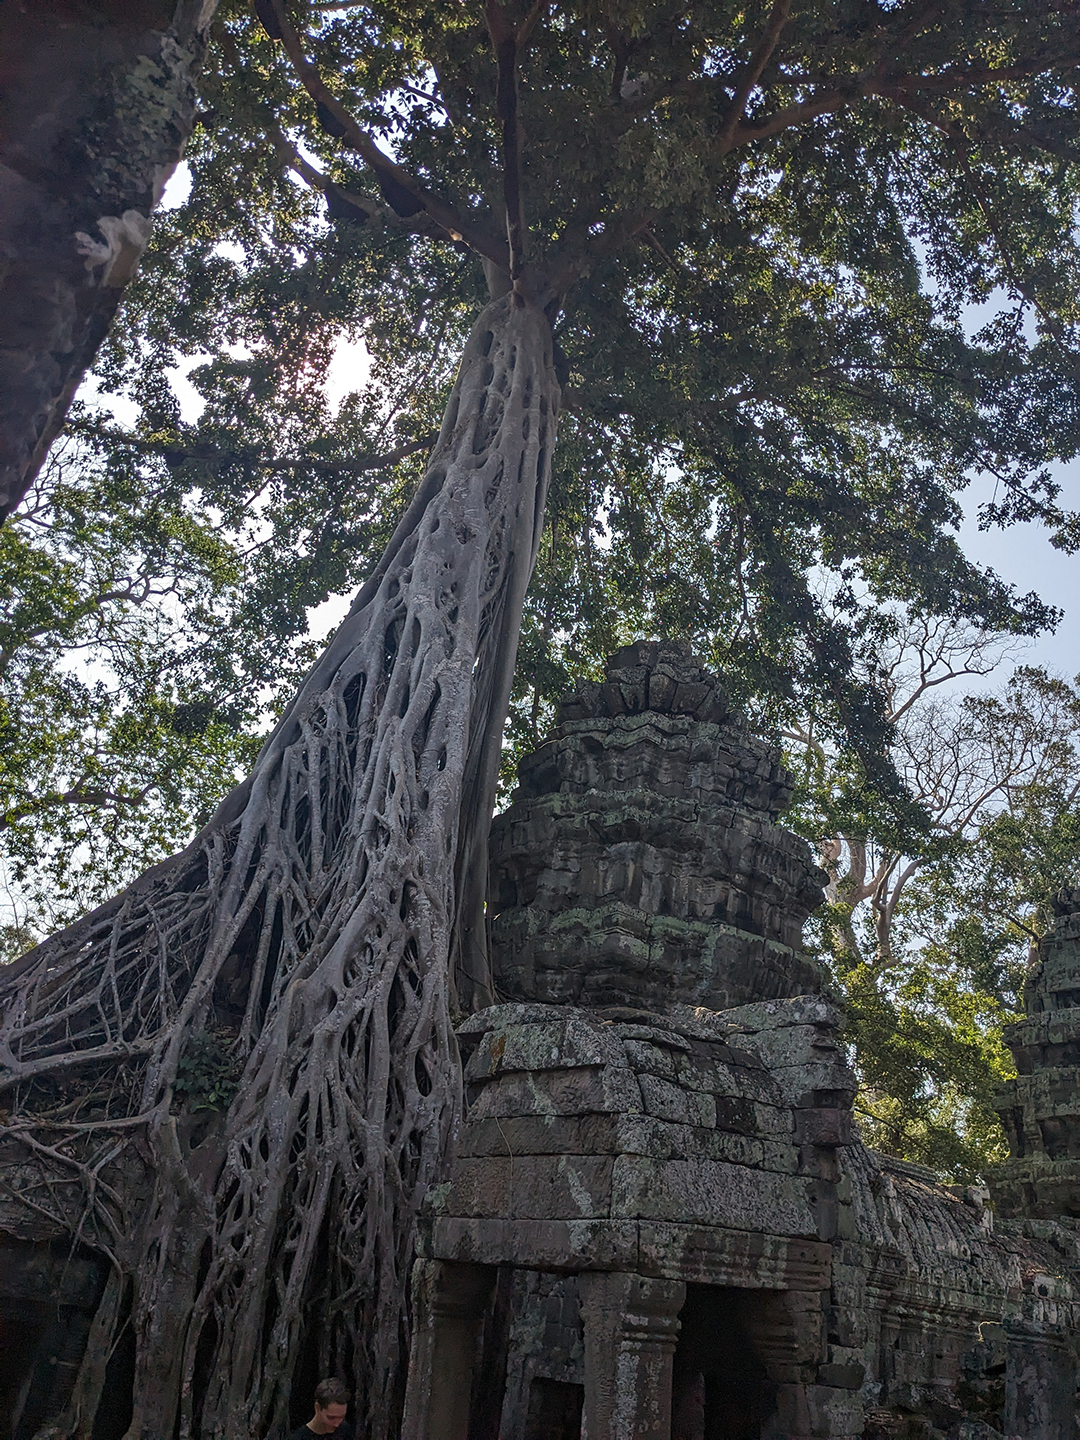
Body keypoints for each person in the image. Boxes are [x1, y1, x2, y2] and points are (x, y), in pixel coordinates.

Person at [287, 1378, 354, 1439]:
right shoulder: (298, 1438)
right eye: (331, 1417)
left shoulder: (345, 1431)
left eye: (341, 1417)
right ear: (317, 1408)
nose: (337, 1424)